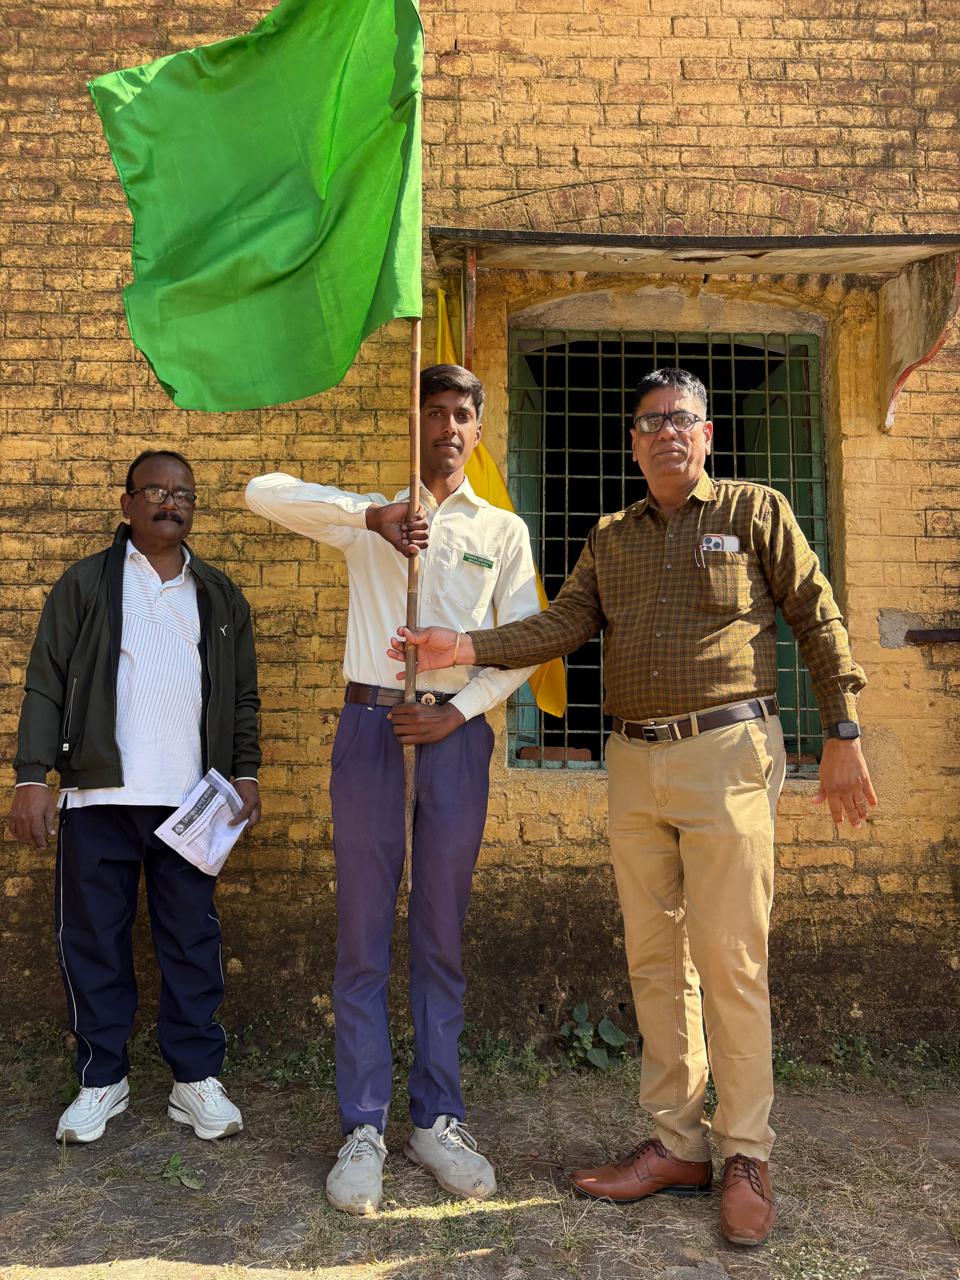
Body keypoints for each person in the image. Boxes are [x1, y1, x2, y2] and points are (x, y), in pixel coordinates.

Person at [389, 367, 876, 1247]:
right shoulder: (612, 537)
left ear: (707, 434)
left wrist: (841, 726)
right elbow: (561, 624)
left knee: (731, 960)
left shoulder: (755, 511)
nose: (666, 434)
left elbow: (816, 612)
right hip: (634, 762)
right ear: (633, 444)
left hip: (728, 751)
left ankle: (746, 1153)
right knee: (656, 962)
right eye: (650, 423)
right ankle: (678, 1144)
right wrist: (464, 644)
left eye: (682, 419)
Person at [245, 364, 540, 1215]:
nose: (447, 427)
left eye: (461, 415)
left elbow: (524, 641)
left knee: (440, 931)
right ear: (415, 425)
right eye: (433, 412)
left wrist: (460, 712)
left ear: (477, 429)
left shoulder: (501, 529)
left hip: (454, 735)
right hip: (370, 729)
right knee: (363, 932)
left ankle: (437, 1119)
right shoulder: (375, 518)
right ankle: (363, 1125)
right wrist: (368, 517)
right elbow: (262, 491)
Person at [8, 450, 262, 1144]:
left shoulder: (218, 594)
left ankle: (194, 1080)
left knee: (191, 940)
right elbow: (46, 681)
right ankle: (102, 1079)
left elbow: (241, 695)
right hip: (97, 797)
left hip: (192, 801)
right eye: (155, 490)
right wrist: (31, 777)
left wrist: (245, 772)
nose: (171, 502)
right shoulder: (86, 583)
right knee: (93, 941)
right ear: (126, 504)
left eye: (184, 494)